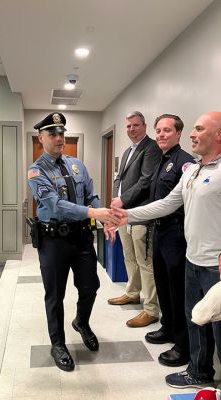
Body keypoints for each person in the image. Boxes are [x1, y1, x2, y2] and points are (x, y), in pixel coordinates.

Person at [110, 112, 221, 389]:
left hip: (215, 265)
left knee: (219, 328)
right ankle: (198, 372)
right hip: (192, 259)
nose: (193, 134)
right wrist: (127, 216)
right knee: (194, 319)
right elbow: (166, 204)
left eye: (198, 128)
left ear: (218, 135)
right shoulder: (193, 170)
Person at [27, 112, 118, 372]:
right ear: (41, 137)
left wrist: (105, 218)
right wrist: (94, 213)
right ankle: (58, 343)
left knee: (90, 286)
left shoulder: (77, 165)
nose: (59, 138)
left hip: (81, 238)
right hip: (54, 241)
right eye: (53, 134)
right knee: (55, 294)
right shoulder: (36, 171)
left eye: (62, 133)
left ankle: (82, 321)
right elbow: (54, 206)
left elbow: (91, 194)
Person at [144, 114, 194, 368]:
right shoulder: (161, 161)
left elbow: (176, 204)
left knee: (177, 290)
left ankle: (182, 344)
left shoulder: (185, 163)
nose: (161, 134)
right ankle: (167, 328)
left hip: (176, 234)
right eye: (158, 130)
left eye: (166, 130)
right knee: (162, 284)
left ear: (178, 133)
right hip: (160, 232)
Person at [107, 111, 162, 328]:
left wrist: (122, 200)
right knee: (129, 258)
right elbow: (119, 178)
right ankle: (132, 293)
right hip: (123, 215)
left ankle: (151, 309)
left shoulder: (151, 148)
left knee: (145, 262)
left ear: (145, 126)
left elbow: (146, 181)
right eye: (128, 126)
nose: (132, 129)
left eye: (136, 125)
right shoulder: (128, 150)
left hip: (140, 214)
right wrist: (115, 201)